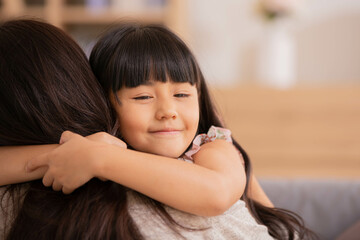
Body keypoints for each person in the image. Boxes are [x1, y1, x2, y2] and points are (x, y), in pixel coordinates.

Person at [0, 20, 313, 239]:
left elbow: (216, 192)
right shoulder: (104, 145)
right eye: (143, 97)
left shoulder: (211, 146)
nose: (167, 112)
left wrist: (99, 159)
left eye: (182, 94)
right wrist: (74, 152)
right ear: (108, 107)